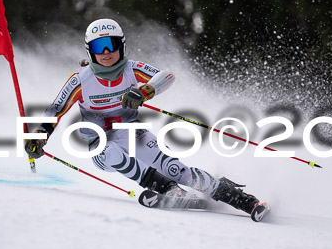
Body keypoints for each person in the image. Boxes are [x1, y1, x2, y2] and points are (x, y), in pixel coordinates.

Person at [24, 18, 269, 222]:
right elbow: (55, 110)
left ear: (121, 45)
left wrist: (144, 92)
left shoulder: (131, 69)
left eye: (111, 44)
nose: (107, 52)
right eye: (99, 47)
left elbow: (167, 76)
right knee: (109, 151)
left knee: (176, 169)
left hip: (133, 134)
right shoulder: (80, 80)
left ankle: (243, 200)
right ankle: (166, 188)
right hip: (99, 143)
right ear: (90, 51)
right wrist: (38, 138)